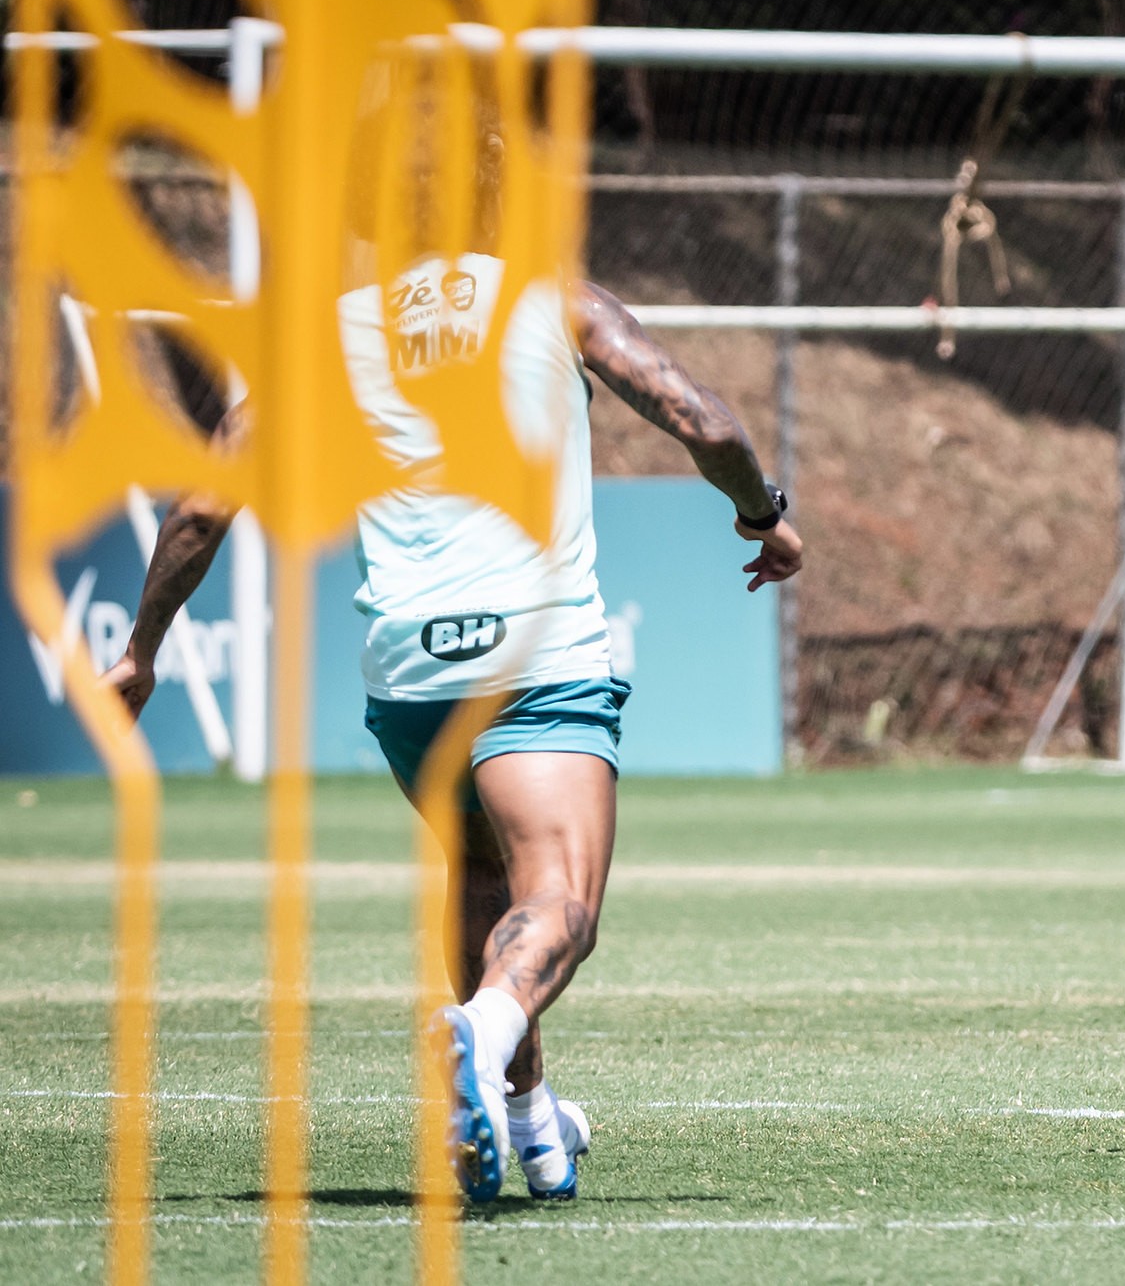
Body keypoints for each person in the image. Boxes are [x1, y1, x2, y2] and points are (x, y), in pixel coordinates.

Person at [105, 256, 802, 1202]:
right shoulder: (553, 297)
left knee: (479, 874)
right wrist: (763, 514)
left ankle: (532, 1122)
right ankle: (482, 1026)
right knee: (559, 899)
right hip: (532, 657)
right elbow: (702, 420)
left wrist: (141, 649)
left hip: (410, 679)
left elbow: (203, 499)